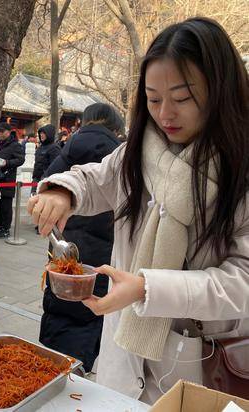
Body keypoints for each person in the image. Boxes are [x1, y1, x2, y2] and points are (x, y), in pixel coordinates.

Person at [28, 18, 249, 403]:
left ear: (221, 91)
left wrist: (149, 287)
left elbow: (242, 281)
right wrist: (63, 192)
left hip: (199, 363)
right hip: (124, 354)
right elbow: (97, 179)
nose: (165, 114)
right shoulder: (138, 150)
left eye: (182, 99)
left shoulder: (240, 170)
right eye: (152, 98)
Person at [39, 103, 124, 373]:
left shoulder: (67, 149)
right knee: (94, 309)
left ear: (84, 122)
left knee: (59, 305)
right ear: (116, 128)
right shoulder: (121, 154)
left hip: (65, 245)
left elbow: (44, 186)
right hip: (105, 253)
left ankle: (50, 365)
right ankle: (81, 369)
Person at [0, 122, 25, 239]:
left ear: (9, 131)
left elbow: (21, 160)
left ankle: (6, 229)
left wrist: (7, 162)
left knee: (6, 205)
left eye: (1, 131)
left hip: (7, 178)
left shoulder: (15, 145)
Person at [31, 124, 61, 195]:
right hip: (36, 179)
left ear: (49, 134)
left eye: (44, 133)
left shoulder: (55, 148)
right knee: (33, 202)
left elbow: (55, 167)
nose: (41, 135)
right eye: (40, 133)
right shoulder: (40, 147)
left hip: (47, 181)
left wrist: (45, 178)